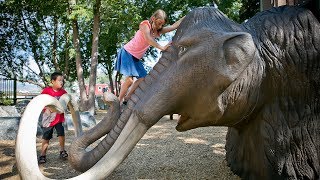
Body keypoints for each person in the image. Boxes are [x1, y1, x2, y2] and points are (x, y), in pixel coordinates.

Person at [115, 9, 184, 104]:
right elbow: (148, 39)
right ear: (153, 18)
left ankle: (127, 97)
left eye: (162, 25)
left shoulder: (157, 31)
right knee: (130, 80)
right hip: (128, 53)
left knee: (143, 78)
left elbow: (173, 26)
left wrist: (188, 16)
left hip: (136, 58)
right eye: (159, 23)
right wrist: (162, 47)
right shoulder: (145, 25)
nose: (160, 26)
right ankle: (118, 101)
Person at [38, 72, 68, 164]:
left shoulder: (63, 92)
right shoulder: (46, 91)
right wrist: (46, 108)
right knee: (46, 137)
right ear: (53, 81)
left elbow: (66, 103)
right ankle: (43, 155)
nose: (61, 82)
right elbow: (40, 102)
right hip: (49, 119)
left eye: (62, 80)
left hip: (59, 118)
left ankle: (62, 151)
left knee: (61, 134)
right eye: (59, 80)